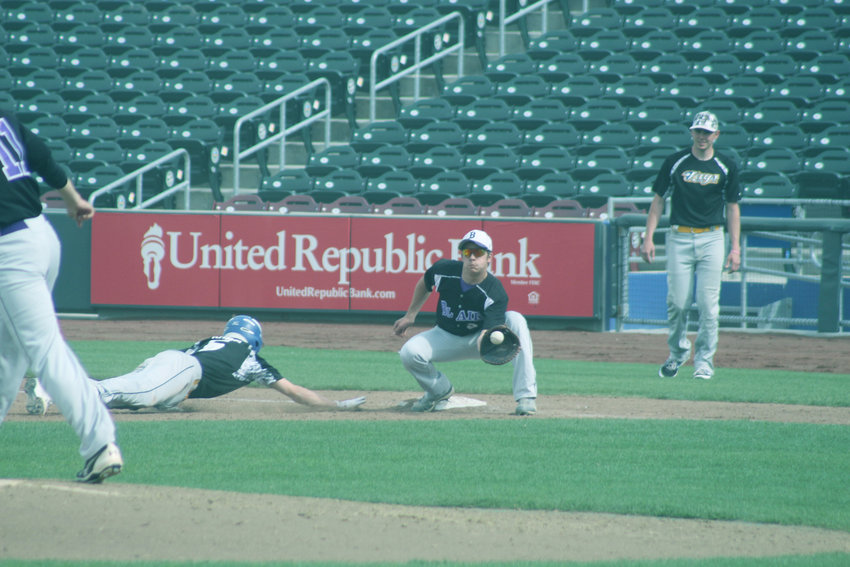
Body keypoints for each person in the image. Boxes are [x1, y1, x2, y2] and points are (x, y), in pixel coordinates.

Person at [0, 107, 122, 483]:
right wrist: (72, 198)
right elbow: (42, 158)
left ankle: (100, 443)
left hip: (9, 247)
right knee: (9, 351)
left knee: (43, 348)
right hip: (40, 234)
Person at [28, 316, 367, 413]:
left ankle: (54, 390)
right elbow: (295, 393)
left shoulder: (213, 341)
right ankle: (52, 385)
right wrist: (338, 405)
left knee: (124, 398)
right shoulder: (251, 359)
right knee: (125, 393)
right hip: (185, 368)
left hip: (174, 362)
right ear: (255, 339)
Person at [639, 111, 742, 380]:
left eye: (707, 132)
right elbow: (658, 200)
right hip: (679, 236)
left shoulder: (726, 165)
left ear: (716, 135)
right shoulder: (676, 162)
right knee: (678, 302)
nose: (702, 136)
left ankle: (705, 360)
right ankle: (678, 353)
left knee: (708, 305)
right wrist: (648, 236)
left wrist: (735, 247)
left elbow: (733, 208)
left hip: (712, 237)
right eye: (698, 131)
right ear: (692, 132)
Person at [393, 229, 538, 415]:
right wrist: (410, 315)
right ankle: (438, 391)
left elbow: (490, 330)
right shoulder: (443, 270)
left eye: (478, 253)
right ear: (461, 255)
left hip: (479, 339)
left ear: (489, 258)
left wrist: (486, 339)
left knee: (515, 319)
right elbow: (425, 282)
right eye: (467, 252)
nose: (472, 258)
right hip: (445, 336)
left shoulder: (495, 291)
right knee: (408, 353)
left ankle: (526, 396)